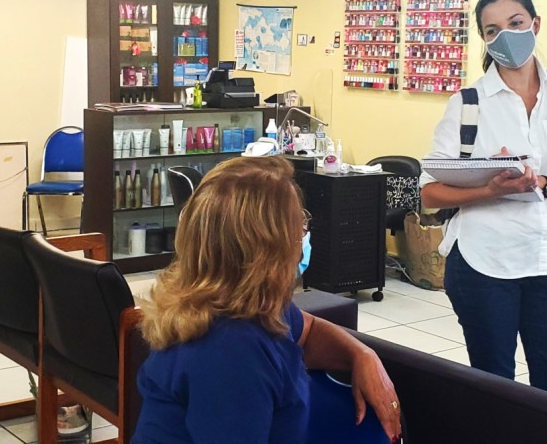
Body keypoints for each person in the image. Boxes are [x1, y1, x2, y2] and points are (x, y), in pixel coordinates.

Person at [420, 0, 547, 400]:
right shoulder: (468, 103)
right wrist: (490, 188)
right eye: (491, 30)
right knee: (493, 390)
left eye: (515, 23)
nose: (503, 35)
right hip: (484, 264)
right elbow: (429, 192)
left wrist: (544, 184)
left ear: (535, 24)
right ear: (485, 39)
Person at [134, 157, 401, 443]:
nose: (304, 237)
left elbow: (306, 330)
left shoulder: (244, 304)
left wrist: (361, 355)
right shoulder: (232, 351)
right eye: (299, 227)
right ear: (268, 249)